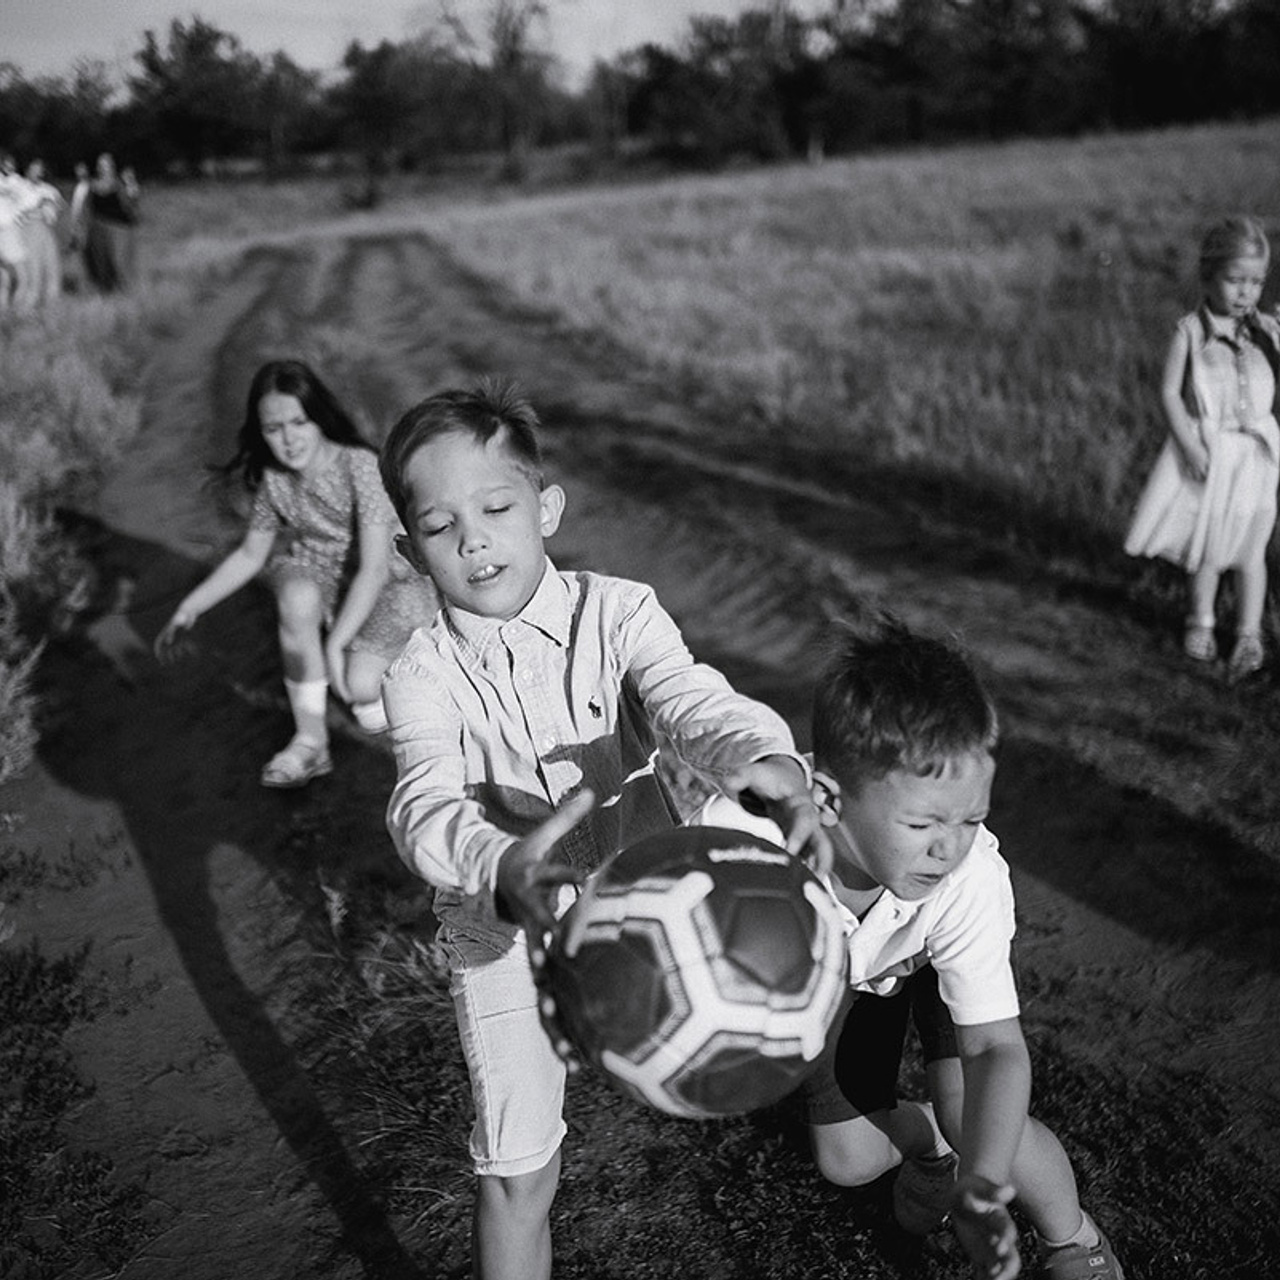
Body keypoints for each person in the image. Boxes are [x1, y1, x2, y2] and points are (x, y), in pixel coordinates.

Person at [376, 380, 827, 1280]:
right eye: (439, 526)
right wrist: (492, 858)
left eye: (497, 507)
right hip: (503, 924)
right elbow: (420, 800)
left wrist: (761, 757)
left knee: (772, 979)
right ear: (409, 549)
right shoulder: (418, 674)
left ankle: (866, 1109)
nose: (473, 538)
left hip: (646, 897)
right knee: (515, 1172)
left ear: (546, 508)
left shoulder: (619, 612)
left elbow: (691, 699)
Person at [699, 611, 1125, 1280]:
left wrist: (984, 1184)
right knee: (847, 1161)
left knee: (977, 1114)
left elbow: (995, 1048)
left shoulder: (966, 879)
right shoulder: (742, 845)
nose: (948, 845)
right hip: (839, 971)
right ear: (828, 799)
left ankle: (1074, 1240)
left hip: (927, 951)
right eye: (923, 822)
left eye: (971, 817)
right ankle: (930, 1148)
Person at [156, 359, 437, 787]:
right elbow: (251, 555)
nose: (288, 440)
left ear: (319, 417)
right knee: (295, 593)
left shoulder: (358, 465)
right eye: (273, 429)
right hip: (326, 576)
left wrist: (335, 647)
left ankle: (390, 677)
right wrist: (189, 607)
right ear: (260, 431)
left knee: (361, 686)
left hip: (384, 580)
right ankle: (311, 741)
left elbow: (375, 568)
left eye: (298, 422)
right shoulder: (275, 480)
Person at [1124, 215, 1280, 682]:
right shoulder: (1190, 332)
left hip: (1256, 455)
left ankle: (1249, 632)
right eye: (1234, 281)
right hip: (1214, 452)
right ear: (1209, 277)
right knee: (1210, 547)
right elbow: (1170, 392)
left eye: (1255, 282)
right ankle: (1201, 621)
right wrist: (1188, 444)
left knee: (1252, 548)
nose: (1245, 293)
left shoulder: (1265, 331)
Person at [82, 152, 140, 292]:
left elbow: (132, 202)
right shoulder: (92, 186)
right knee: (100, 261)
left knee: (118, 262)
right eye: (100, 165)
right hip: (98, 228)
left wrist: (131, 184)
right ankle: (104, 292)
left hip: (119, 227)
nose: (103, 168)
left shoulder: (120, 184)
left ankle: (124, 290)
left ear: (112, 166)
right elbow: (88, 208)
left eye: (106, 165)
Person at [19, 158, 64, 307]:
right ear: (27, 170)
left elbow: (61, 208)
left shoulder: (49, 189)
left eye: (40, 170)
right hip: (27, 230)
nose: (38, 173)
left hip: (46, 230)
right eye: (34, 169)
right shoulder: (19, 187)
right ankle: (28, 305)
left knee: (52, 266)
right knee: (33, 268)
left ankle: (52, 304)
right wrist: (37, 208)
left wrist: (52, 207)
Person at [0, 150, 34, 311]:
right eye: (5, 162)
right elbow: (29, 204)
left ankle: (7, 311)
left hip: (8, 231)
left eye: (11, 163)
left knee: (7, 278)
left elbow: (29, 204)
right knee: (21, 277)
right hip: (7, 231)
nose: (8, 166)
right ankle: (18, 311)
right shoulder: (12, 182)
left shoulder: (16, 182)